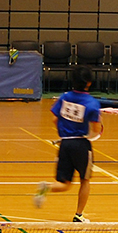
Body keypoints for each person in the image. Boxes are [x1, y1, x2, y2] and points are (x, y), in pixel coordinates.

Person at [32, 67, 100, 222]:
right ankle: (79, 215)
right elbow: (96, 130)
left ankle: (46, 187)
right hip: (81, 145)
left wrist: (65, 132)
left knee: (65, 183)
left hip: (65, 144)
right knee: (85, 180)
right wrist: (90, 135)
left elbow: (55, 119)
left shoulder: (64, 98)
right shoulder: (92, 103)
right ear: (89, 83)